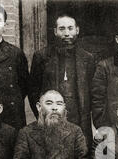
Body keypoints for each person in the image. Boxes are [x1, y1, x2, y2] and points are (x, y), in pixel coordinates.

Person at [28, 14, 95, 148]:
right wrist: (43, 116)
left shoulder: (88, 58)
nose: (66, 33)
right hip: (51, 119)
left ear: (77, 30)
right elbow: (33, 91)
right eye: (62, 29)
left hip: (79, 121)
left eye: (70, 28)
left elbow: (93, 93)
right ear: (55, 31)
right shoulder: (41, 57)